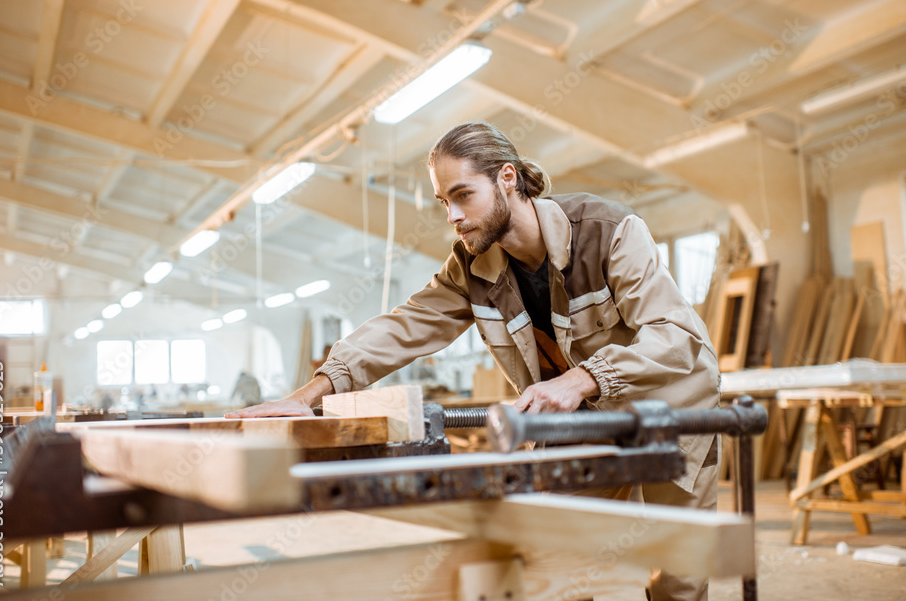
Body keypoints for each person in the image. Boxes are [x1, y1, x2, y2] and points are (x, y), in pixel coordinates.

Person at [228, 122, 721, 601]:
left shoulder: (608, 230)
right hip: (589, 422)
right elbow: (402, 327)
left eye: (464, 195)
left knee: (676, 574)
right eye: (445, 202)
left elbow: (675, 336)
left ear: (507, 178)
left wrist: (582, 378)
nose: (453, 217)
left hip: (672, 411)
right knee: (561, 565)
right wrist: (304, 398)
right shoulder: (472, 268)